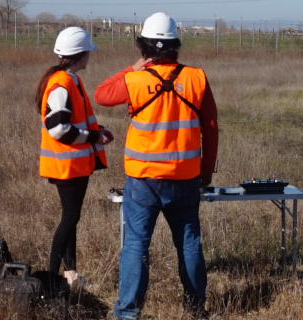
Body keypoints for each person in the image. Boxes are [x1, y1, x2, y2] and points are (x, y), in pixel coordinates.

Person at [93, 12, 218, 319]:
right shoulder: (196, 78)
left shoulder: (134, 80)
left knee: (136, 245)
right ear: (175, 45)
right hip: (186, 178)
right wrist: (206, 170)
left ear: (144, 47)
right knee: (189, 243)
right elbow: (211, 127)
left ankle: (128, 313)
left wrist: (131, 68)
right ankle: (195, 309)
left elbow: (101, 94)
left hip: (143, 180)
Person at [37, 27, 111, 292]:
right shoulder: (61, 84)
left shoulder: (71, 80)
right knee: (69, 218)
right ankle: (50, 281)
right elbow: (58, 129)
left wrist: (97, 130)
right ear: (81, 55)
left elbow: (74, 121)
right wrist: (93, 137)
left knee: (72, 218)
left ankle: (70, 276)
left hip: (74, 164)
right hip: (66, 165)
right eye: (88, 52)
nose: (90, 57)